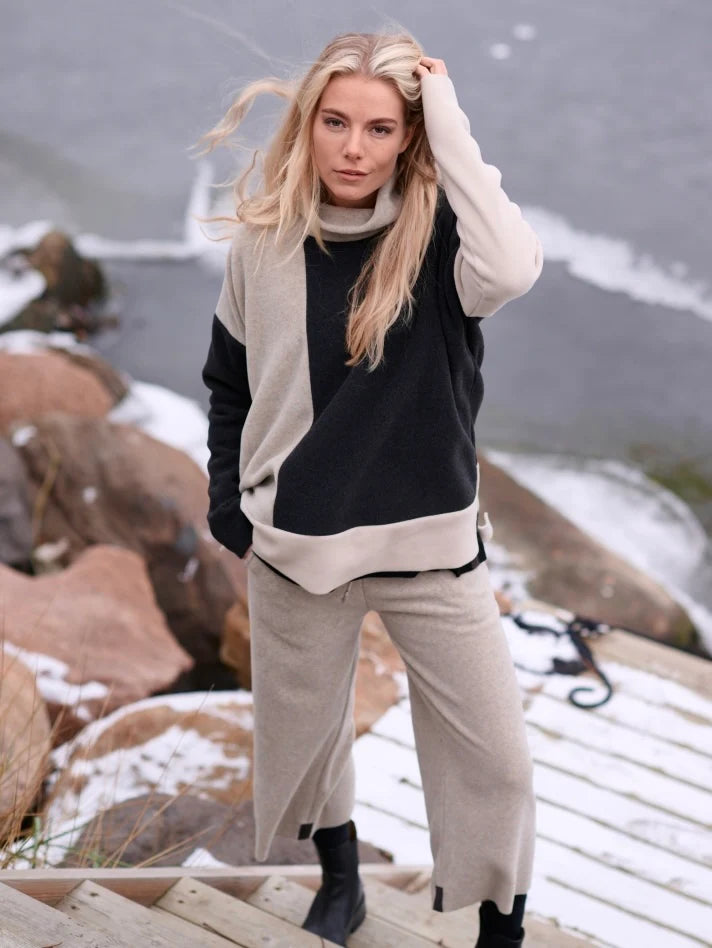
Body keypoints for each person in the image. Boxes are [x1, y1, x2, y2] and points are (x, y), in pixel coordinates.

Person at [198, 28, 543, 948]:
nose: (354, 148)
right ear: (308, 124)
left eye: (382, 129)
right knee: (306, 738)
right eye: (337, 122)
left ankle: (500, 934)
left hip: (433, 550)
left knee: (498, 764)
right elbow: (229, 383)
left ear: (410, 138)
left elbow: (515, 266)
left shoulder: (445, 244)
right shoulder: (263, 245)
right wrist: (229, 503)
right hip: (298, 548)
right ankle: (342, 881)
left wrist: (449, 119)